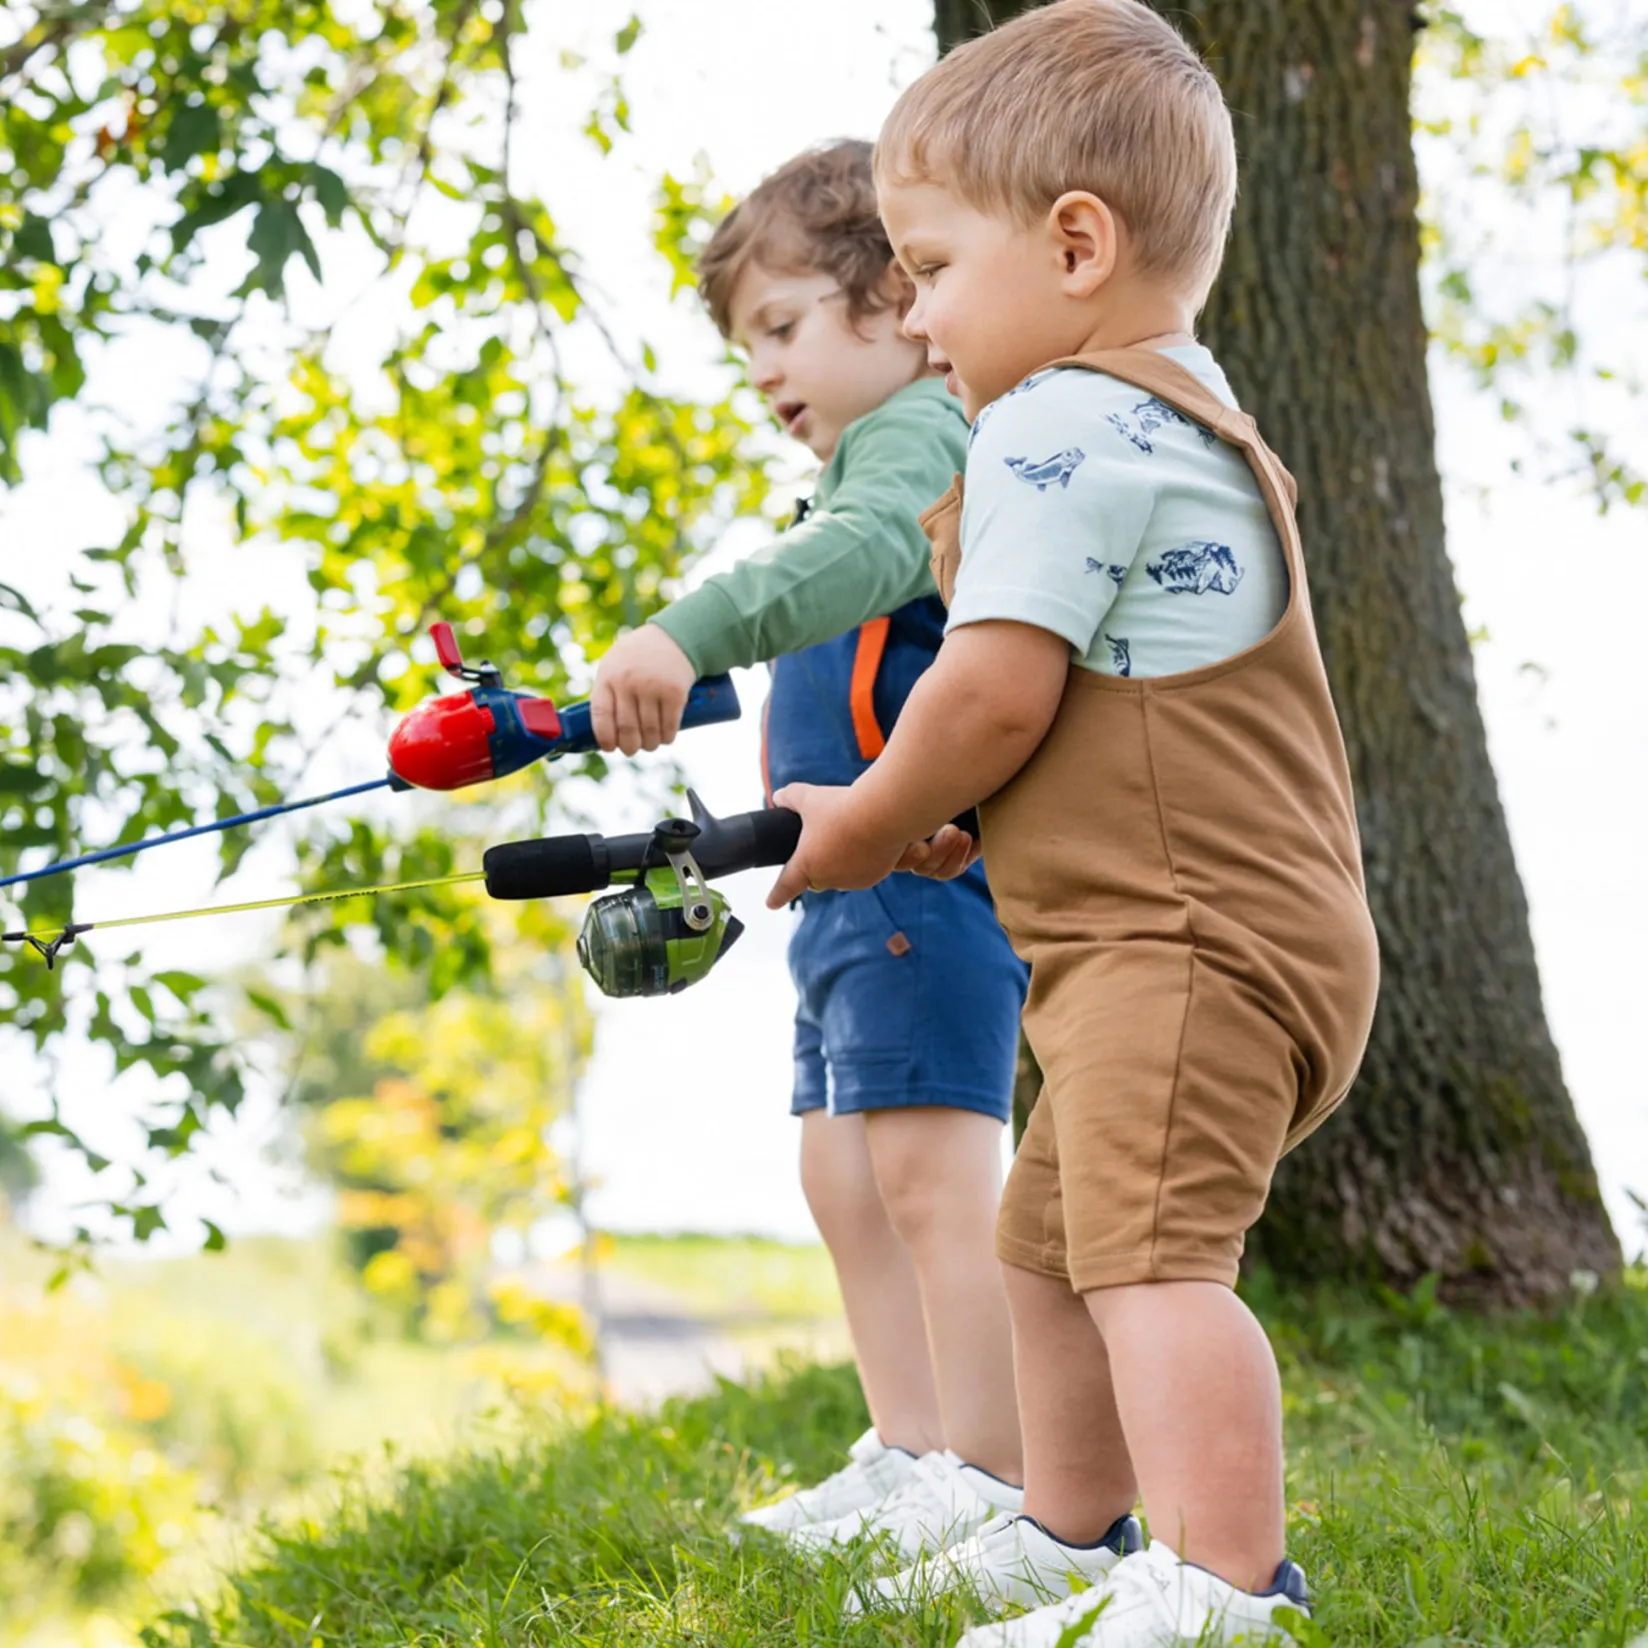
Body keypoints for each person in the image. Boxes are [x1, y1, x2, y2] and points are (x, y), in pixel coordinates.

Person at [766, 6, 1381, 1645]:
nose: (918, 312)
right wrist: (966, 830)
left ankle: (1219, 1586)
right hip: (1204, 936)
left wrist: (871, 816)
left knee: (1151, 1260)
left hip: (1185, 941)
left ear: (1079, 244)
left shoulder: (1048, 425)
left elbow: (985, 700)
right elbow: (1108, 706)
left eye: (933, 268)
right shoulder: (1180, 412)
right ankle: (1067, 1528)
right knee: (1046, 1243)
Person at [591, 140, 1054, 1564]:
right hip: (846, 895)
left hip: (922, 877)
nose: (764, 372)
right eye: (748, 347)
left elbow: (863, 560)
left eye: (782, 327)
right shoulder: (875, 454)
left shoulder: (918, 432)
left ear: (894, 301)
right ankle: (916, 1446)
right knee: (844, 1177)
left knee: (925, 1172)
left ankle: (992, 1471)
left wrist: (687, 631)